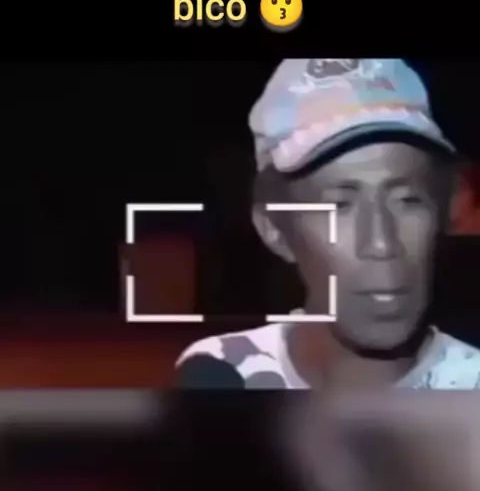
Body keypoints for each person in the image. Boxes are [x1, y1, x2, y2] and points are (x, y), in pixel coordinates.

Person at [177, 58, 480, 389]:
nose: (381, 243)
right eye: (339, 206)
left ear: (444, 213)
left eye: (408, 200)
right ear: (274, 230)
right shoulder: (224, 372)